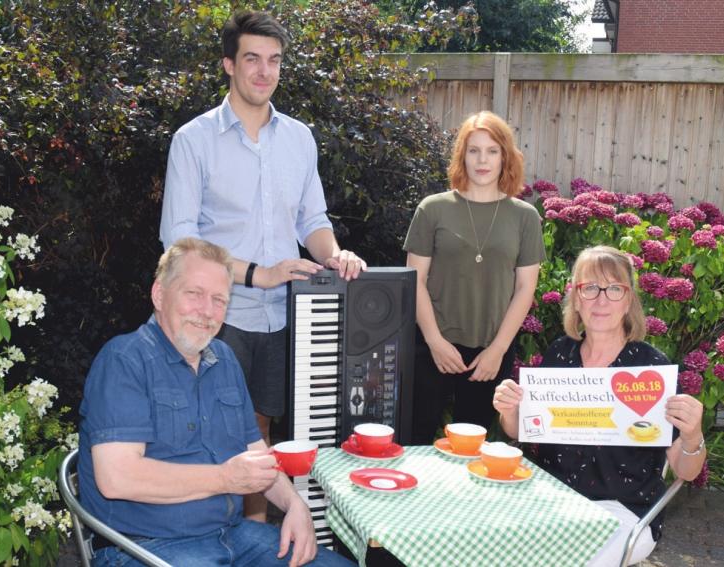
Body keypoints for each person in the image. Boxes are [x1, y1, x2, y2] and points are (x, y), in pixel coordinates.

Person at [159, 10, 365, 520]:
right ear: (229, 64)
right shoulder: (193, 140)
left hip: (282, 316)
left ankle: (252, 535)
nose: (263, 71)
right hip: (216, 314)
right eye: (252, 59)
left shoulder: (299, 138)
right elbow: (179, 240)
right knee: (210, 431)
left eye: (273, 61)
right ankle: (205, 534)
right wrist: (258, 273)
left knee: (262, 433)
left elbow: (312, 218)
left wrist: (332, 252)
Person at [78, 238, 355, 567]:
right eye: (193, 294)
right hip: (145, 547)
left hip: (232, 537)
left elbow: (257, 456)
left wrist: (295, 505)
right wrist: (225, 478)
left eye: (219, 300)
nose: (207, 311)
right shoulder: (125, 360)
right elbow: (118, 478)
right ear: (159, 294)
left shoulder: (223, 359)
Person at [493, 245, 706, 566]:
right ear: (577, 299)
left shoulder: (650, 369)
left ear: (629, 300)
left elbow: (685, 472)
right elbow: (522, 429)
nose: (601, 299)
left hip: (624, 510)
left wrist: (692, 436)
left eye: (614, 289)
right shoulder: (559, 355)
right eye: (590, 288)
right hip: (551, 501)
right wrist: (510, 410)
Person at [403, 111, 545, 444]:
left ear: (505, 157)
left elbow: (525, 289)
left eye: (492, 151)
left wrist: (498, 350)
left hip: (490, 354)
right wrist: (436, 342)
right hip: (431, 348)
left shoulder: (525, 217)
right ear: (462, 156)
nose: (483, 160)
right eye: (474, 150)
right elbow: (415, 280)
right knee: (416, 443)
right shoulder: (432, 209)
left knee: (473, 450)